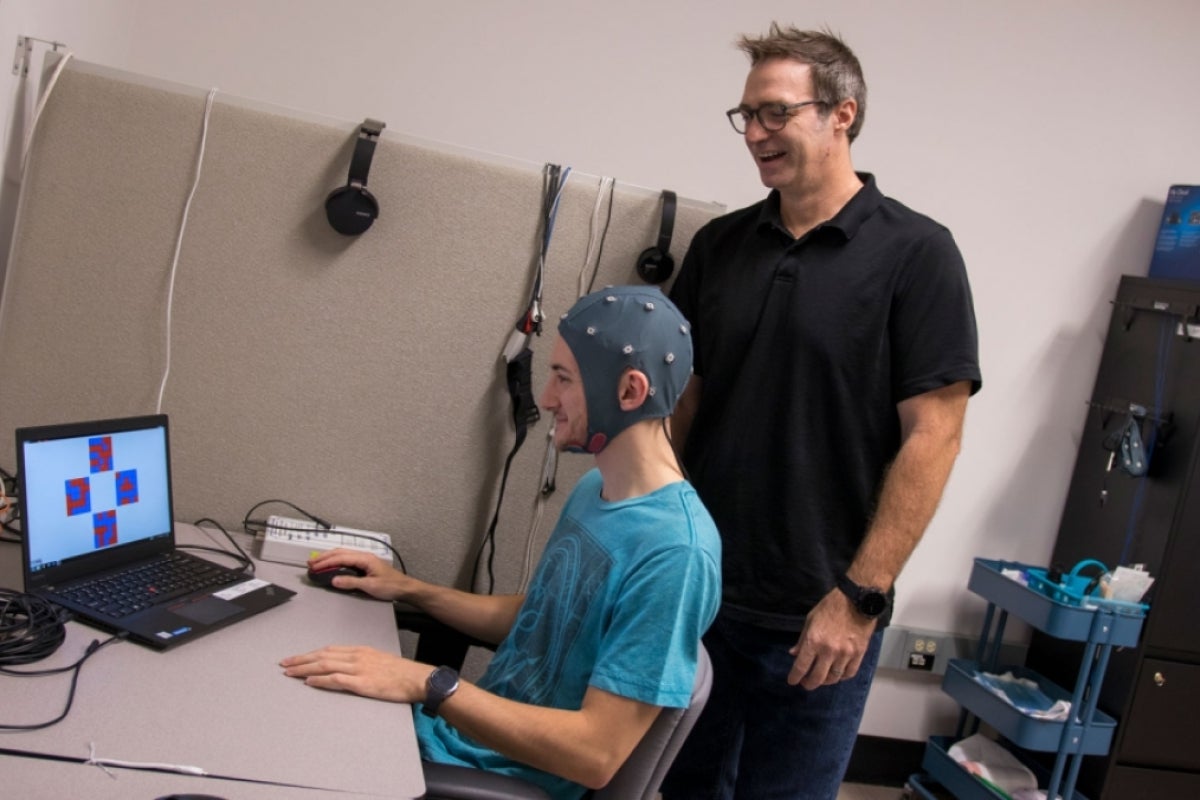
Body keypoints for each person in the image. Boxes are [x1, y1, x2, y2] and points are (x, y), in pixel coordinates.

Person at [659, 23, 982, 800]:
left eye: (775, 113)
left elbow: (934, 437)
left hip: (821, 615)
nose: (756, 135)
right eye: (747, 117)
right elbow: (681, 407)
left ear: (843, 113)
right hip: (700, 592)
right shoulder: (721, 245)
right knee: (672, 788)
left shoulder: (918, 254)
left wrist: (860, 598)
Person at [281, 286, 722, 800]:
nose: (546, 399)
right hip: (451, 743)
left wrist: (429, 684)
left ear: (629, 391)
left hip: (491, 781)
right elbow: (544, 619)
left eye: (563, 378)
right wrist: (409, 589)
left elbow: (596, 756)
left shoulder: (676, 554)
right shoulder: (594, 490)